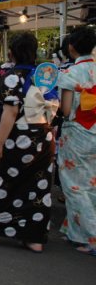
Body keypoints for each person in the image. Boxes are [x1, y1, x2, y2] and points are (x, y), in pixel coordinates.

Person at [0, 32, 58, 253]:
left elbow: (10, 112)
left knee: (5, 183)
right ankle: (34, 238)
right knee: (38, 188)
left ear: (12, 52)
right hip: (44, 136)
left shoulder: (13, 75)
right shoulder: (43, 77)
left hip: (19, 135)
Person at [56, 26, 96, 257]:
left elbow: (67, 109)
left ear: (71, 47)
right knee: (92, 182)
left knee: (74, 185)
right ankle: (74, 231)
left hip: (78, 131)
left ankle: (91, 234)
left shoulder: (70, 74)